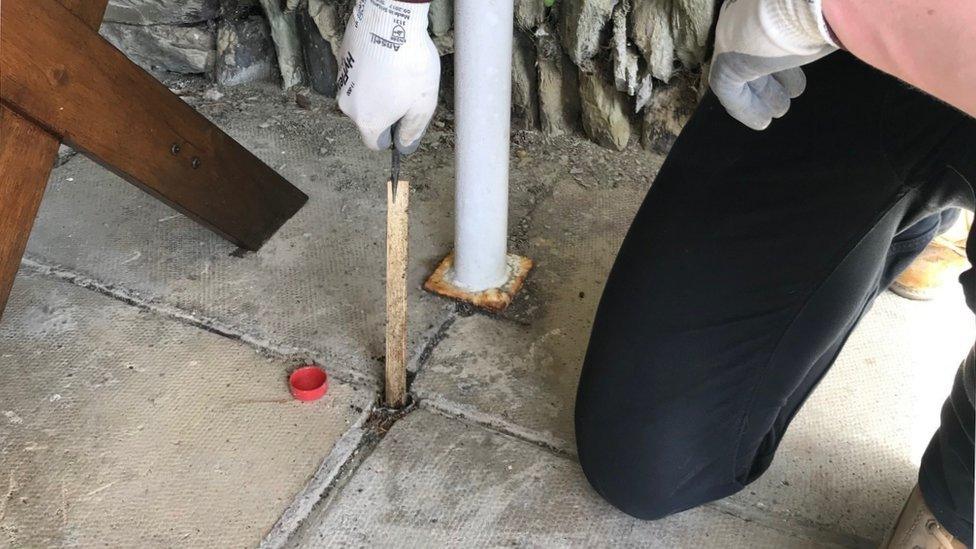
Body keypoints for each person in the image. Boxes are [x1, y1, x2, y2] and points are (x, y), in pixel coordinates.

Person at [335, 0, 974, 546]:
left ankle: (958, 504)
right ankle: (912, 210)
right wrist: (392, 13)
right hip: (853, 49)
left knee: (963, 499)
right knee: (649, 460)